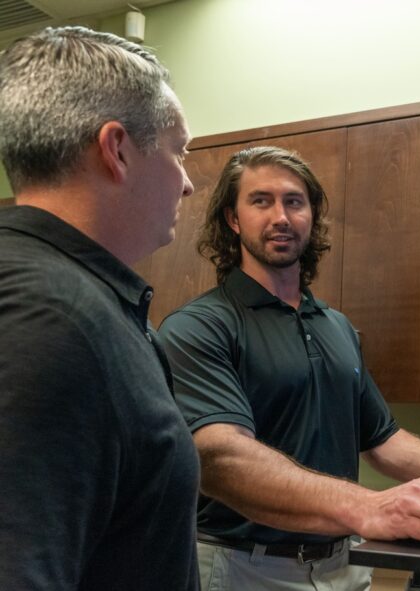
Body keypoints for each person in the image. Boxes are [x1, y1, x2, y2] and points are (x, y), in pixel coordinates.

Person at [159, 146, 420, 590]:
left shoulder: (336, 327)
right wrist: (372, 507)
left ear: (311, 217)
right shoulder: (200, 326)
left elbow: (382, 439)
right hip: (245, 567)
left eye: (294, 201)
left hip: (345, 565)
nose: (280, 216)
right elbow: (223, 459)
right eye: (261, 201)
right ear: (233, 220)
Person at [0, 26, 198, 590]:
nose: (186, 183)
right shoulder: (48, 319)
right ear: (117, 150)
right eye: (178, 150)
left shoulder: (81, 299)